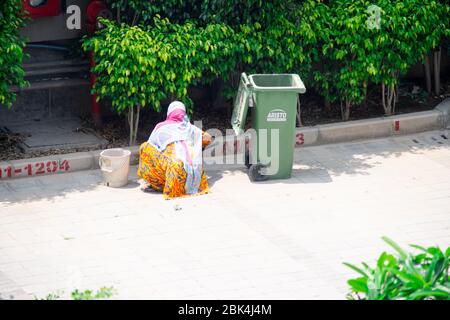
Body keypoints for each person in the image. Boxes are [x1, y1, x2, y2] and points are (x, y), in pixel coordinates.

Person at [137, 101, 211, 199]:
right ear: (184, 114)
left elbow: (152, 144)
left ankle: (158, 183)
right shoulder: (191, 129)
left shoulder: (162, 127)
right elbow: (208, 138)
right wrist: (198, 147)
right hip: (193, 178)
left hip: (174, 178)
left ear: (169, 113)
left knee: (144, 147)